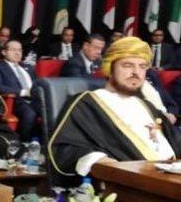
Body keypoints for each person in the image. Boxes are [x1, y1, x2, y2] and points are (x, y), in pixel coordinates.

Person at [48, 37, 181, 181]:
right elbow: (65, 150)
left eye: (142, 67)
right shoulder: (87, 103)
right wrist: (99, 161)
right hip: (128, 184)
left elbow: (176, 141)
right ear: (110, 68)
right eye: (128, 65)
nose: (136, 72)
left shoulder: (147, 106)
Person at [0, 40, 40, 141]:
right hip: (14, 101)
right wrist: (23, 92)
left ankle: (45, 144)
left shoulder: (28, 68)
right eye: (13, 50)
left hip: (34, 99)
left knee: (50, 111)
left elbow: (36, 84)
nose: (17, 53)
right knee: (30, 113)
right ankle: (23, 143)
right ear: (4, 52)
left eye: (20, 50)